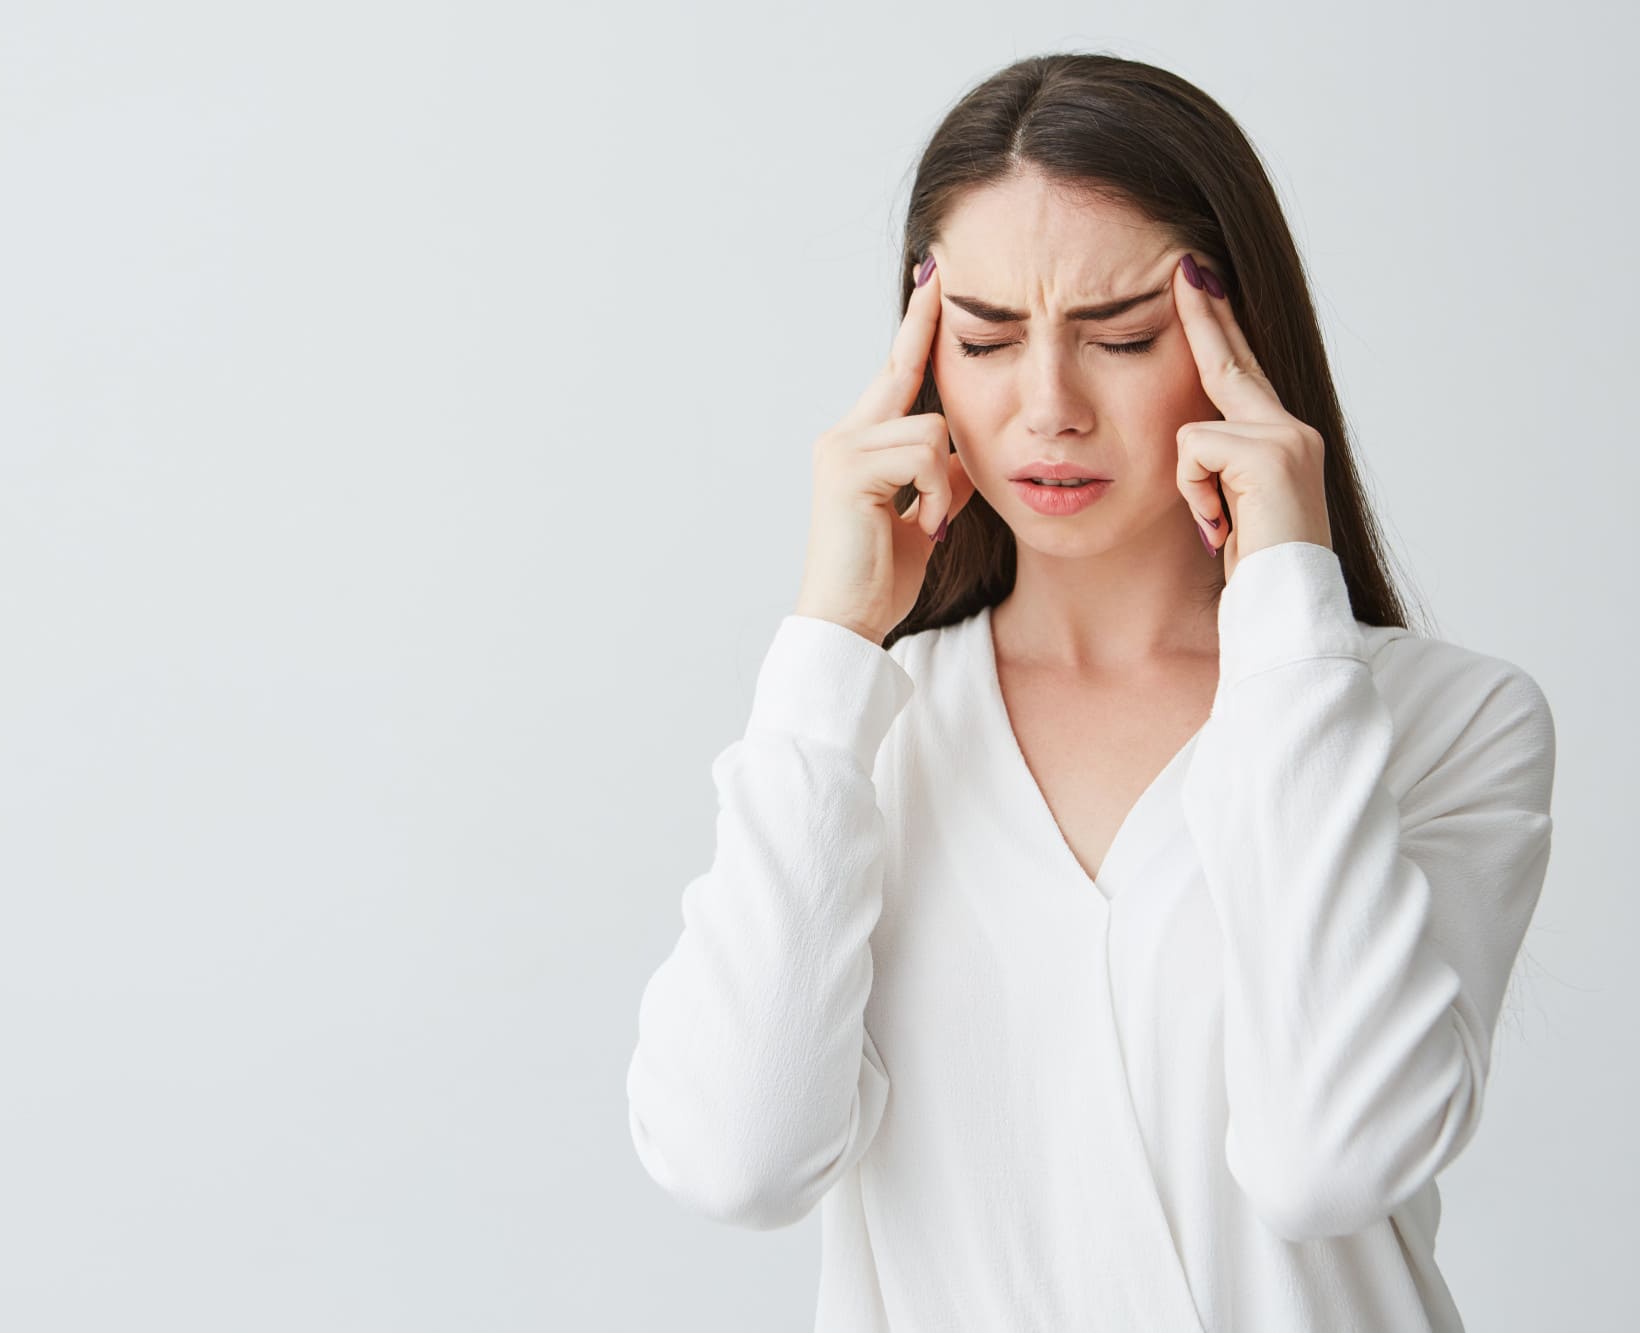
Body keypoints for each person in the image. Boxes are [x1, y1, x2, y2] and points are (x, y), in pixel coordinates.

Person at [623, 52, 1556, 1333]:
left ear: (1239, 345)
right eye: (987, 339)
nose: (1046, 407)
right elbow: (735, 1158)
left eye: (1120, 336)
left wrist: (1287, 605)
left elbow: (1330, 1154)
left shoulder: (1447, 726)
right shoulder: (860, 736)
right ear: (919, 355)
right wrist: (827, 646)